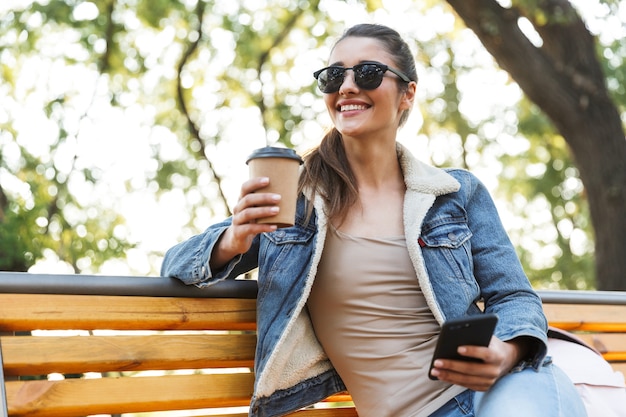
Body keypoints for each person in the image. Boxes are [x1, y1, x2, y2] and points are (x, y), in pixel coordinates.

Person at [161, 23, 586, 417]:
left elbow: (514, 297)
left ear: (407, 94)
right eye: (333, 76)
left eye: (367, 73)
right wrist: (233, 239)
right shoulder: (297, 201)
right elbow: (175, 265)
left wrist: (507, 354)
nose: (347, 86)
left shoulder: (456, 193)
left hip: (506, 392)